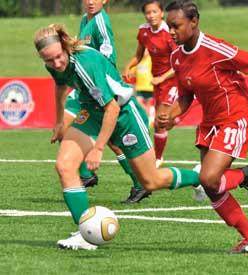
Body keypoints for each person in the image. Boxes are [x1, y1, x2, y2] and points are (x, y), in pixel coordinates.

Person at [34, 24, 206, 250]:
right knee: (65, 165)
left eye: (58, 57)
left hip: (124, 115)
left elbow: (112, 109)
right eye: (49, 60)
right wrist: (59, 122)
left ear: (65, 47)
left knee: (150, 181)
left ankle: (197, 177)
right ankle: (84, 233)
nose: (56, 63)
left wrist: (98, 148)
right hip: (92, 113)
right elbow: (60, 86)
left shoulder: (85, 63)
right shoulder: (55, 64)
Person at [160, 0, 248, 254]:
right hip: (210, 123)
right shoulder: (176, 56)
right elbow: (185, 96)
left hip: (235, 116)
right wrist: (170, 116)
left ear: (194, 22)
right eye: (168, 27)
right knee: (211, 186)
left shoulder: (214, 48)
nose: (171, 32)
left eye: (176, 26)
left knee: (208, 177)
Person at [60, 0, 152, 203]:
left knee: (106, 137)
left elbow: (106, 56)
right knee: (102, 137)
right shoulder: (86, 20)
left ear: (105, 0)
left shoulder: (101, 21)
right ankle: (88, 175)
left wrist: (102, 82)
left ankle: (135, 181)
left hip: (98, 84)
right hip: (86, 84)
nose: (91, 1)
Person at [123, 0, 178, 168]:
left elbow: (180, 61)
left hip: (175, 80)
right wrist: (128, 67)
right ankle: (175, 118)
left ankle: (157, 159)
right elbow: (139, 55)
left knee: (160, 121)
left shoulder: (170, 32)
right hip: (157, 83)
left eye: (155, 12)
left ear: (161, 13)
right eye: (148, 12)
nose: (151, 15)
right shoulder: (144, 31)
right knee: (164, 122)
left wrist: (163, 78)